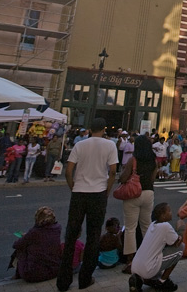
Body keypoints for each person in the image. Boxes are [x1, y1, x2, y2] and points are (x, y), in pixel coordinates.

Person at [57, 117, 119, 292]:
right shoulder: (109, 145)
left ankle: (63, 280)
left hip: (79, 192)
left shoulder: (80, 145)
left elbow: (69, 171)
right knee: (93, 236)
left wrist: (73, 187)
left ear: (90, 129)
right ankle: (85, 278)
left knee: (71, 235)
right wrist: (106, 190)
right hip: (98, 193)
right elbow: (113, 171)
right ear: (104, 129)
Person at [121, 134, 158, 271]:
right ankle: (148, 255)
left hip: (133, 193)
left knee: (130, 227)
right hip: (148, 192)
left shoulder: (133, 160)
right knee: (146, 226)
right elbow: (153, 178)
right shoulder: (154, 160)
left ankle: (130, 261)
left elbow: (124, 177)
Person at [129, 203, 184, 291]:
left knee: (156, 263)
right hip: (147, 268)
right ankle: (162, 282)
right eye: (169, 211)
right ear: (163, 216)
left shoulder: (152, 224)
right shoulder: (165, 226)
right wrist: (180, 232)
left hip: (135, 266)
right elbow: (176, 243)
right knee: (180, 248)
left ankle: (138, 281)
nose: (171, 212)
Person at [12, 206, 62, 282]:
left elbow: (16, 245)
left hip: (34, 274)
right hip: (55, 270)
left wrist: (26, 237)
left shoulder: (34, 232)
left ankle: (17, 275)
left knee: (21, 249)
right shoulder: (57, 227)